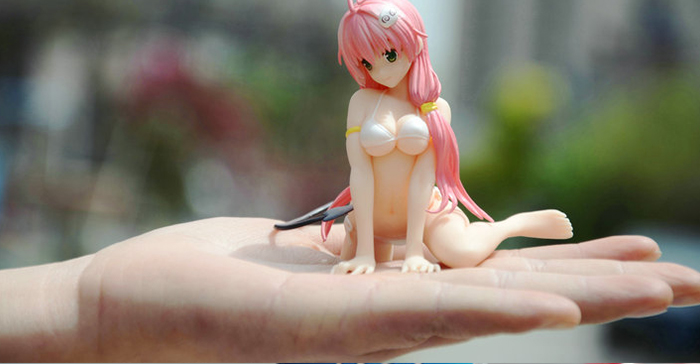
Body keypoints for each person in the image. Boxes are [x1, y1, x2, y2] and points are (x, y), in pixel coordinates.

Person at [1, 215, 699, 362]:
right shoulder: (368, 125)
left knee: (461, 247)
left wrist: (79, 303)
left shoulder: (416, 129)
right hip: (387, 228)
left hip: (430, 227)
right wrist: (81, 303)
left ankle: (516, 223)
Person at [325, 0, 572, 275]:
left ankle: (510, 225)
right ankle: (366, 242)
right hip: (371, 220)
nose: (380, 71)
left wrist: (414, 252)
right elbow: (360, 173)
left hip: (424, 216)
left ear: (415, 42)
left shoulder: (436, 109)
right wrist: (365, 252)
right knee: (352, 271)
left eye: (390, 55)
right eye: (367, 63)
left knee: (462, 254)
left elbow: (423, 178)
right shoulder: (362, 102)